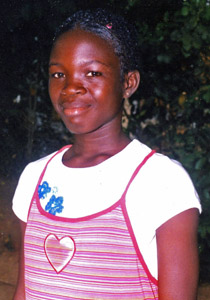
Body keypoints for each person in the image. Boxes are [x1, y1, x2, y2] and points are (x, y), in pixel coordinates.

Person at [13, 9, 201, 300]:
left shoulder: (161, 182)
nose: (71, 87)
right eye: (58, 74)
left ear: (128, 83)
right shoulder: (34, 177)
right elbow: (25, 290)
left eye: (93, 72)